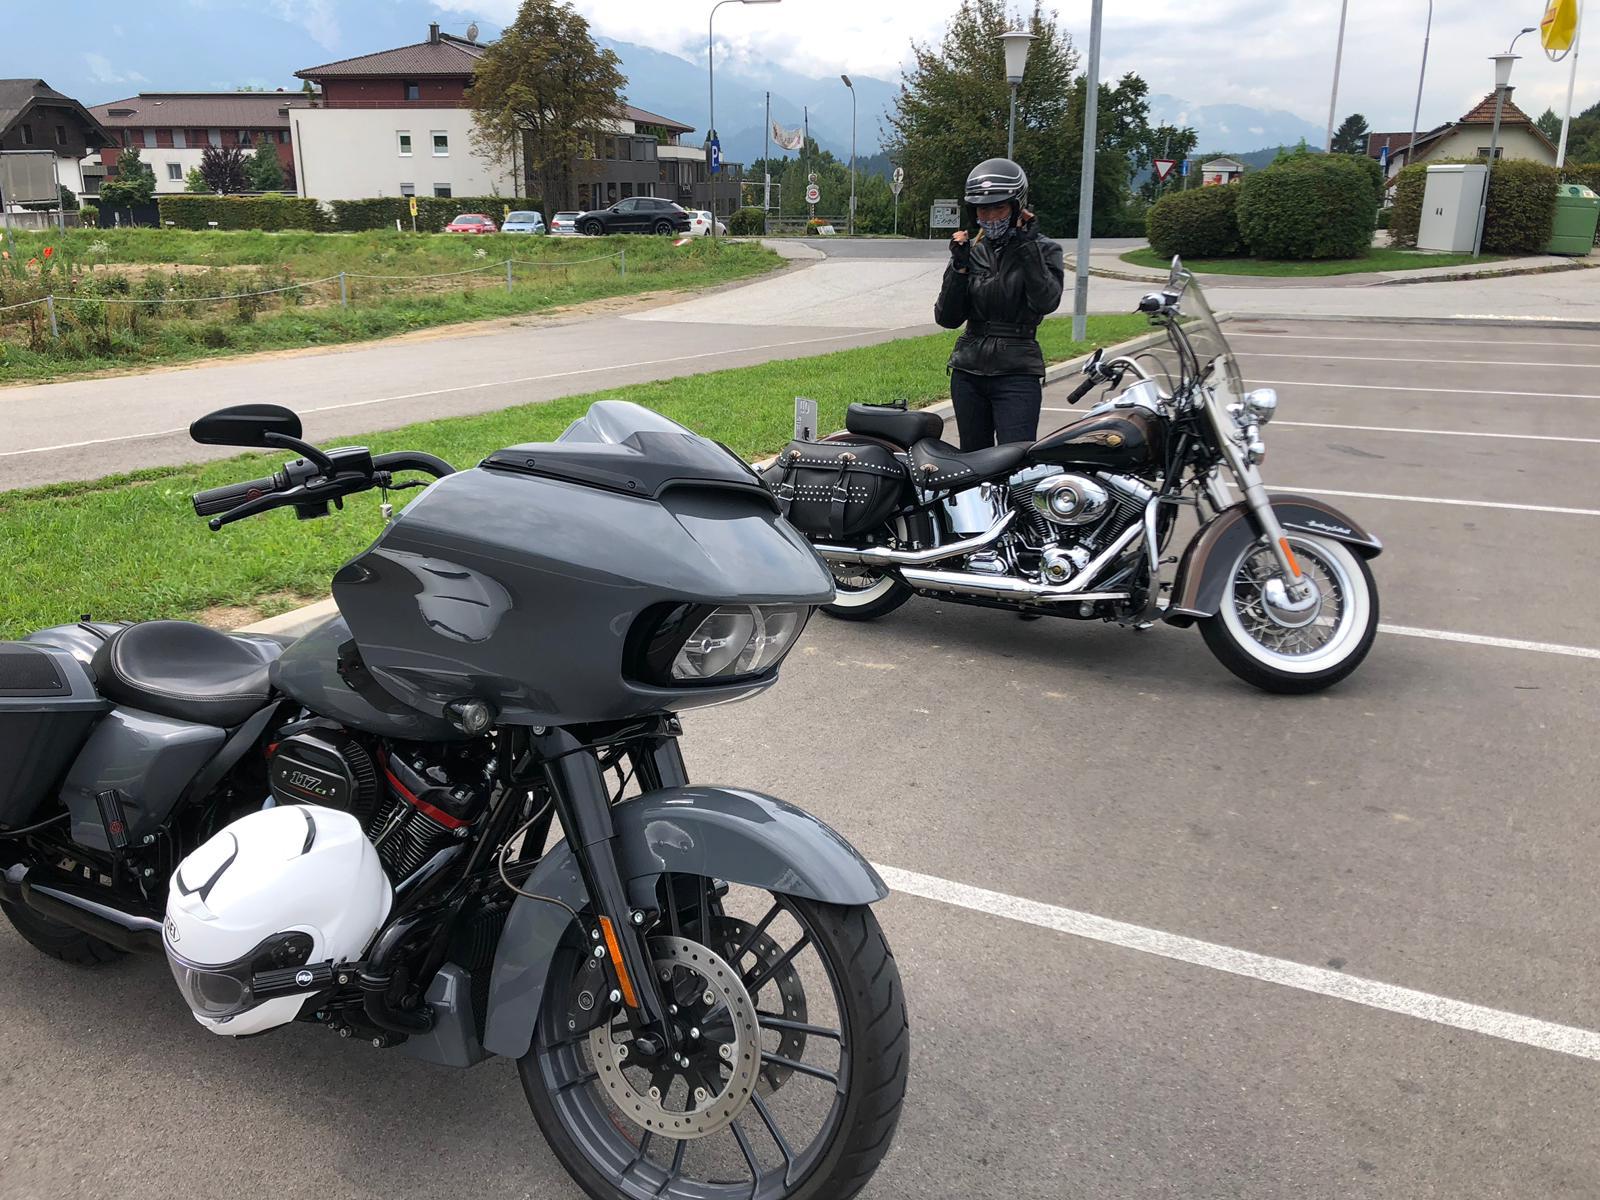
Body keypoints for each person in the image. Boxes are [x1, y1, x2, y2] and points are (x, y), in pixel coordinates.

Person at [933, 158, 1066, 451]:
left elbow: (1046, 301)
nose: (991, 216)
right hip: (968, 370)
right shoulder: (973, 251)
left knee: (1015, 457)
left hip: (1017, 371)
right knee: (972, 459)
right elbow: (947, 318)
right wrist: (959, 268)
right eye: (983, 210)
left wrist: (1028, 248)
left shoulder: (1045, 249)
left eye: (999, 208)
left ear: (1017, 207)